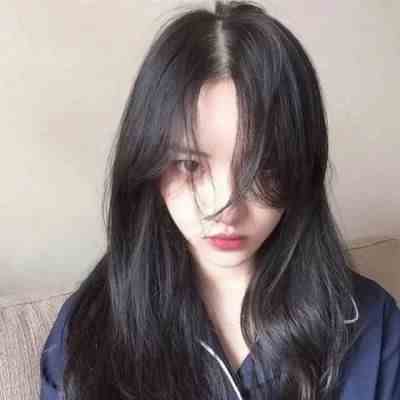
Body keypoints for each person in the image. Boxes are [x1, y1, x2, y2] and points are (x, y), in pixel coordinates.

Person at [39, 1, 400, 399]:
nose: (225, 207)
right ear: (148, 165)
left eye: (262, 167)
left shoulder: (373, 327)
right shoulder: (88, 332)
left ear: (301, 167)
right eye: (190, 165)